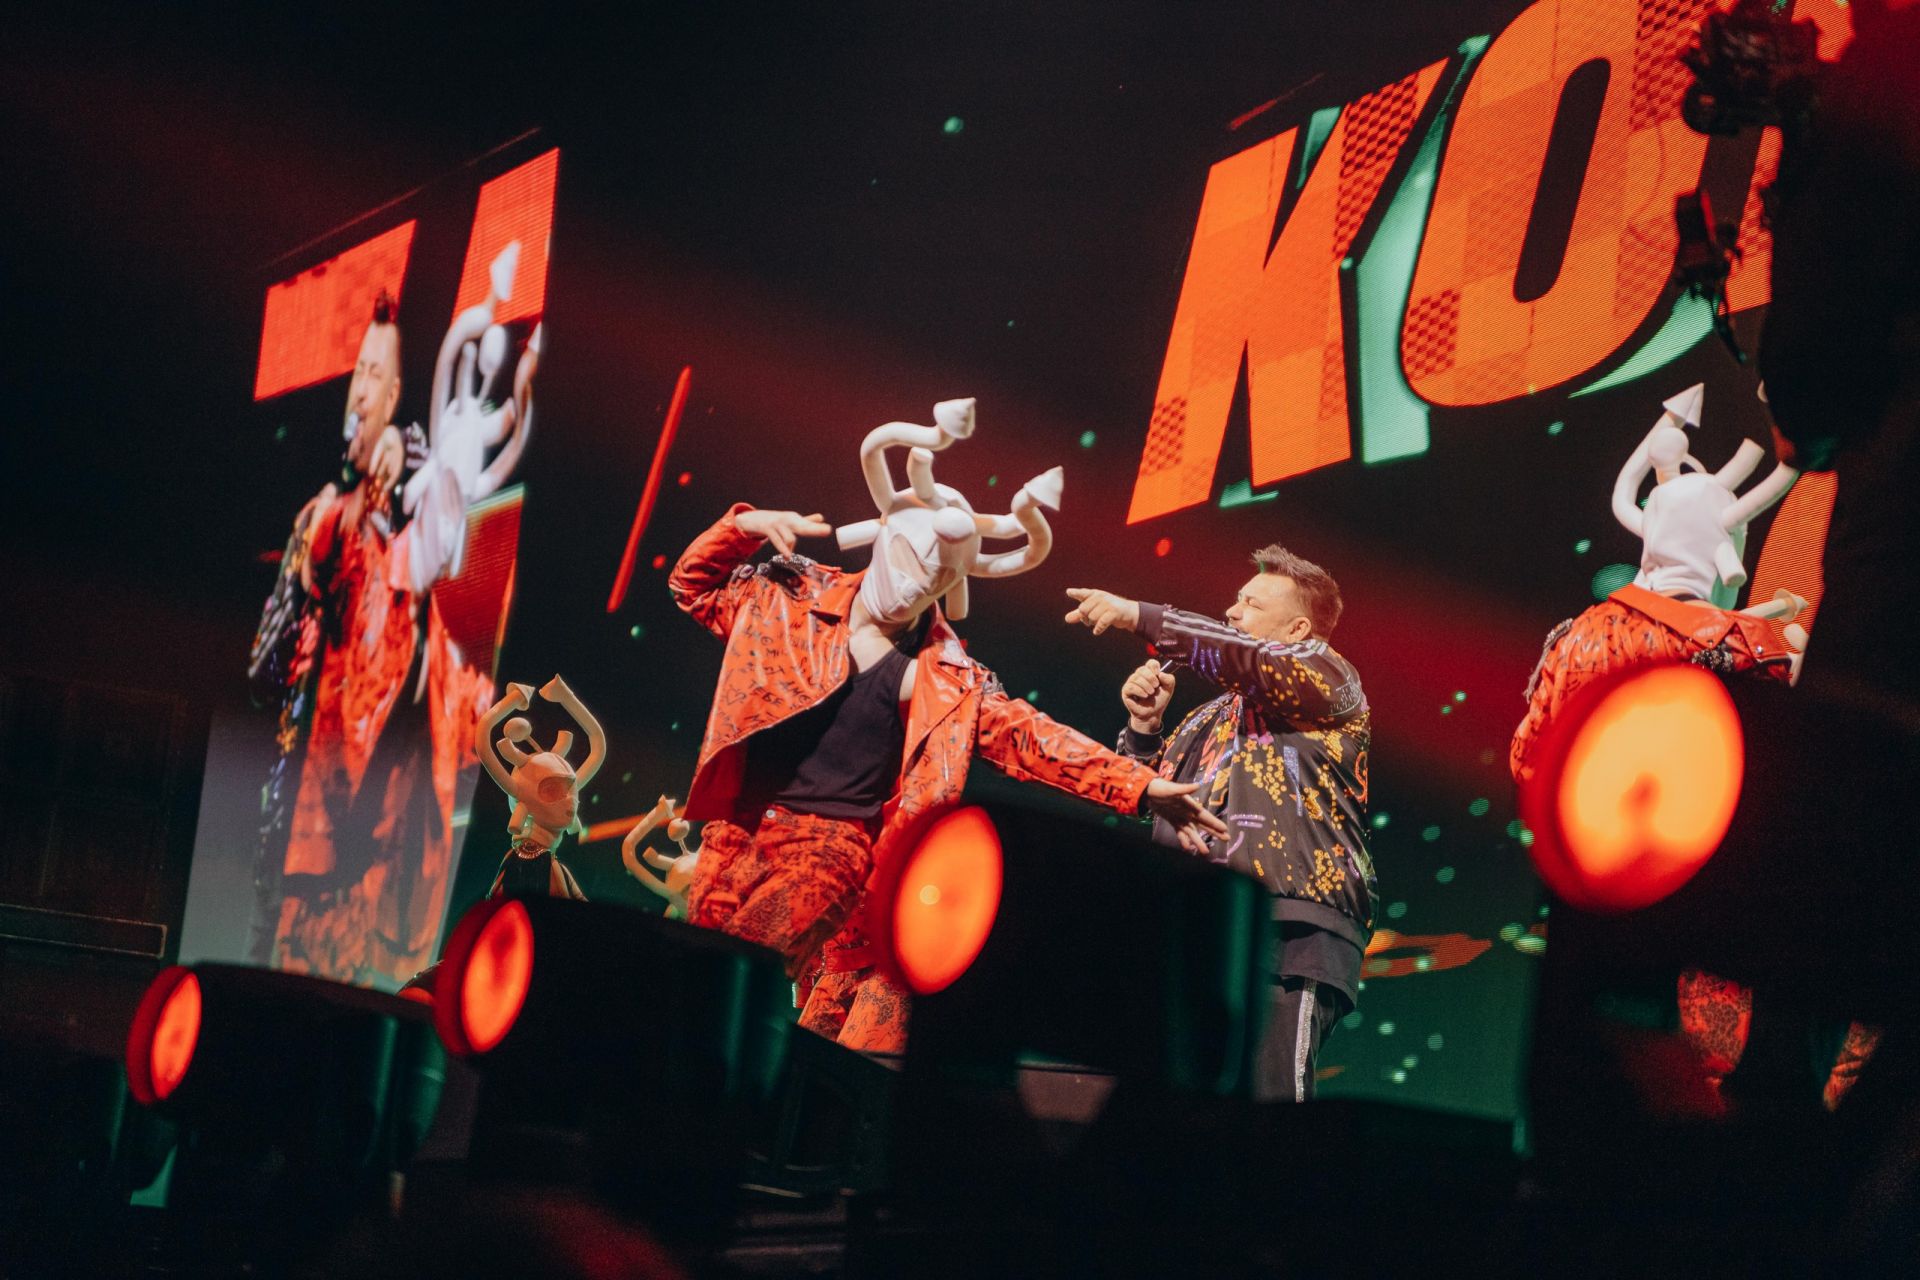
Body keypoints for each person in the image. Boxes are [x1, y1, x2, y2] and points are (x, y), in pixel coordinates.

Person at [670, 400, 1227, 1053]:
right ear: (882, 540)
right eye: (910, 563)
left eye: (935, 578)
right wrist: (745, 526)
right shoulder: (786, 597)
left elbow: (1031, 739)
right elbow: (693, 587)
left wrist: (1139, 785)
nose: (913, 588)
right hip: (736, 830)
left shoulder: (946, 678)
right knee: (700, 992)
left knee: (740, 977)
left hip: (830, 847)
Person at [1062, 545, 1371, 1101]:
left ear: (1298, 628)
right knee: (1177, 1109)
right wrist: (1144, 728)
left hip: (1286, 927)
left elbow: (1245, 658)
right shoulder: (1207, 717)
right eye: (1236, 600)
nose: (1231, 611)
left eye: (1251, 603)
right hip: (1197, 928)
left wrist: (1139, 615)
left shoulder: (1328, 675)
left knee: (1268, 1107)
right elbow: (1147, 799)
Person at [268, 294, 492, 988]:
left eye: (376, 376)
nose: (361, 390)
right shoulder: (335, 523)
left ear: (395, 396)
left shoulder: (410, 577)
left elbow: (456, 699)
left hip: (380, 875)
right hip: (313, 852)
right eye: (357, 374)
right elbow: (323, 557)